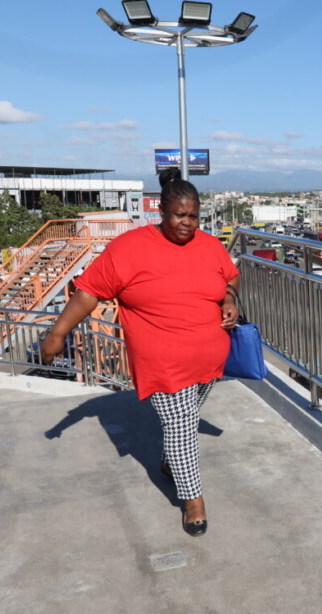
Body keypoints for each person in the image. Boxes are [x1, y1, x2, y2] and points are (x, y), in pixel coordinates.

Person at [42, 178, 239, 537]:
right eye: (180, 215)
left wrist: (229, 299)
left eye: (194, 216)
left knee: (186, 419)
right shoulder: (128, 248)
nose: (188, 224)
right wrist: (58, 333)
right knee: (180, 423)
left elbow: (230, 277)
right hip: (161, 362)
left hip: (210, 359)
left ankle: (171, 461)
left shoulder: (210, 246)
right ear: (161, 211)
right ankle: (193, 500)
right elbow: (89, 293)